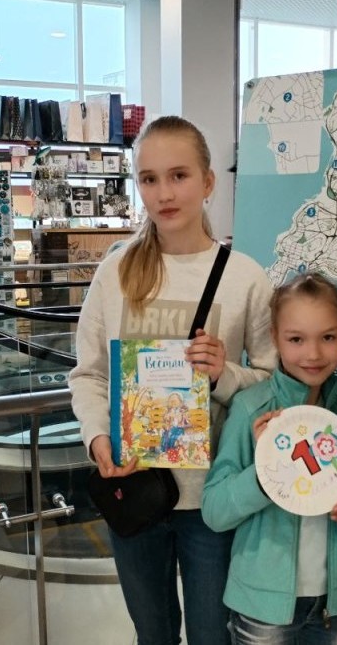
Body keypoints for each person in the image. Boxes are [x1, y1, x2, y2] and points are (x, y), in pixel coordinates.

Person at [69, 115, 278, 645]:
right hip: (133, 484)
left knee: (213, 635)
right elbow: (89, 373)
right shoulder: (116, 273)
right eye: (149, 179)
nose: (164, 193)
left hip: (213, 496)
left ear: (208, 182)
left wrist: (223, 372)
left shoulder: (245, 276)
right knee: (153, 633)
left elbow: (273, 382)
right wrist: (97, 439)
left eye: (179, 176)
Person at [201, 272, 337, 645]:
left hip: (333, 605)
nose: (313, 354)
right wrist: (264, 475)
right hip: (262, 609)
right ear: (275, 338)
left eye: (328, 337)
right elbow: (214, 510)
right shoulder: (251, 409)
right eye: (296, 339)